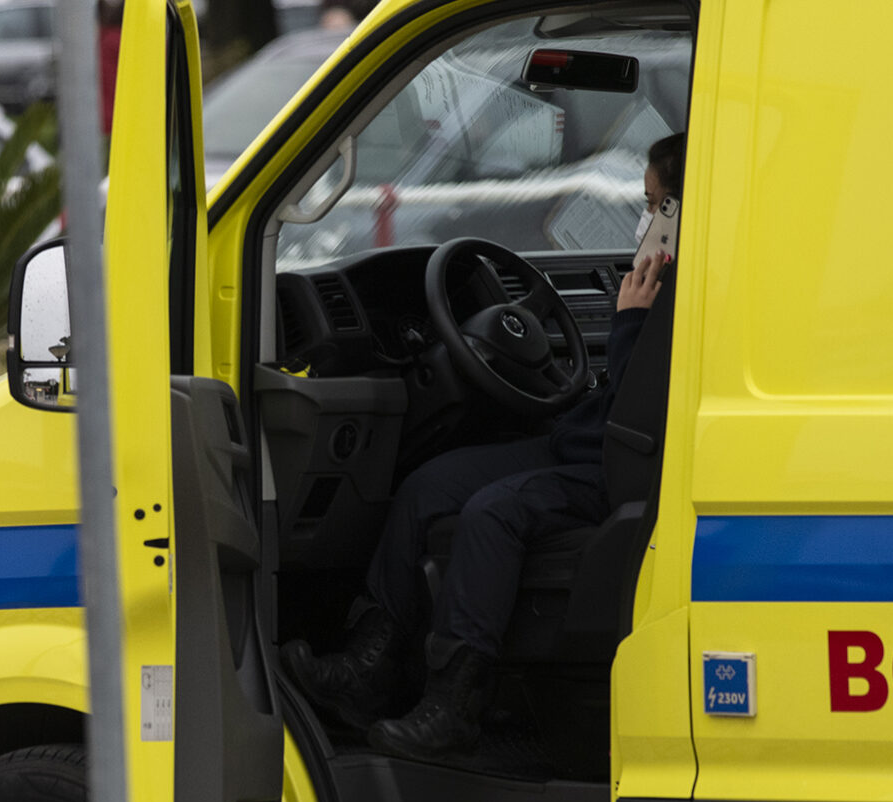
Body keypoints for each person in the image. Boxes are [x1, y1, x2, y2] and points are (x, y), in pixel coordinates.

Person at [285, 132, 686, 768]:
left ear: (678, 214)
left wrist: (632, 316)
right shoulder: (660, 280)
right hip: (578, 440)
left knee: (493, 513)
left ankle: (455, 704)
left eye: (654, 204)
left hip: (619, 464)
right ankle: (370, 667)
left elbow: (637, 408)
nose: (644, 217)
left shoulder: (683, 296)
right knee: (429, 486)